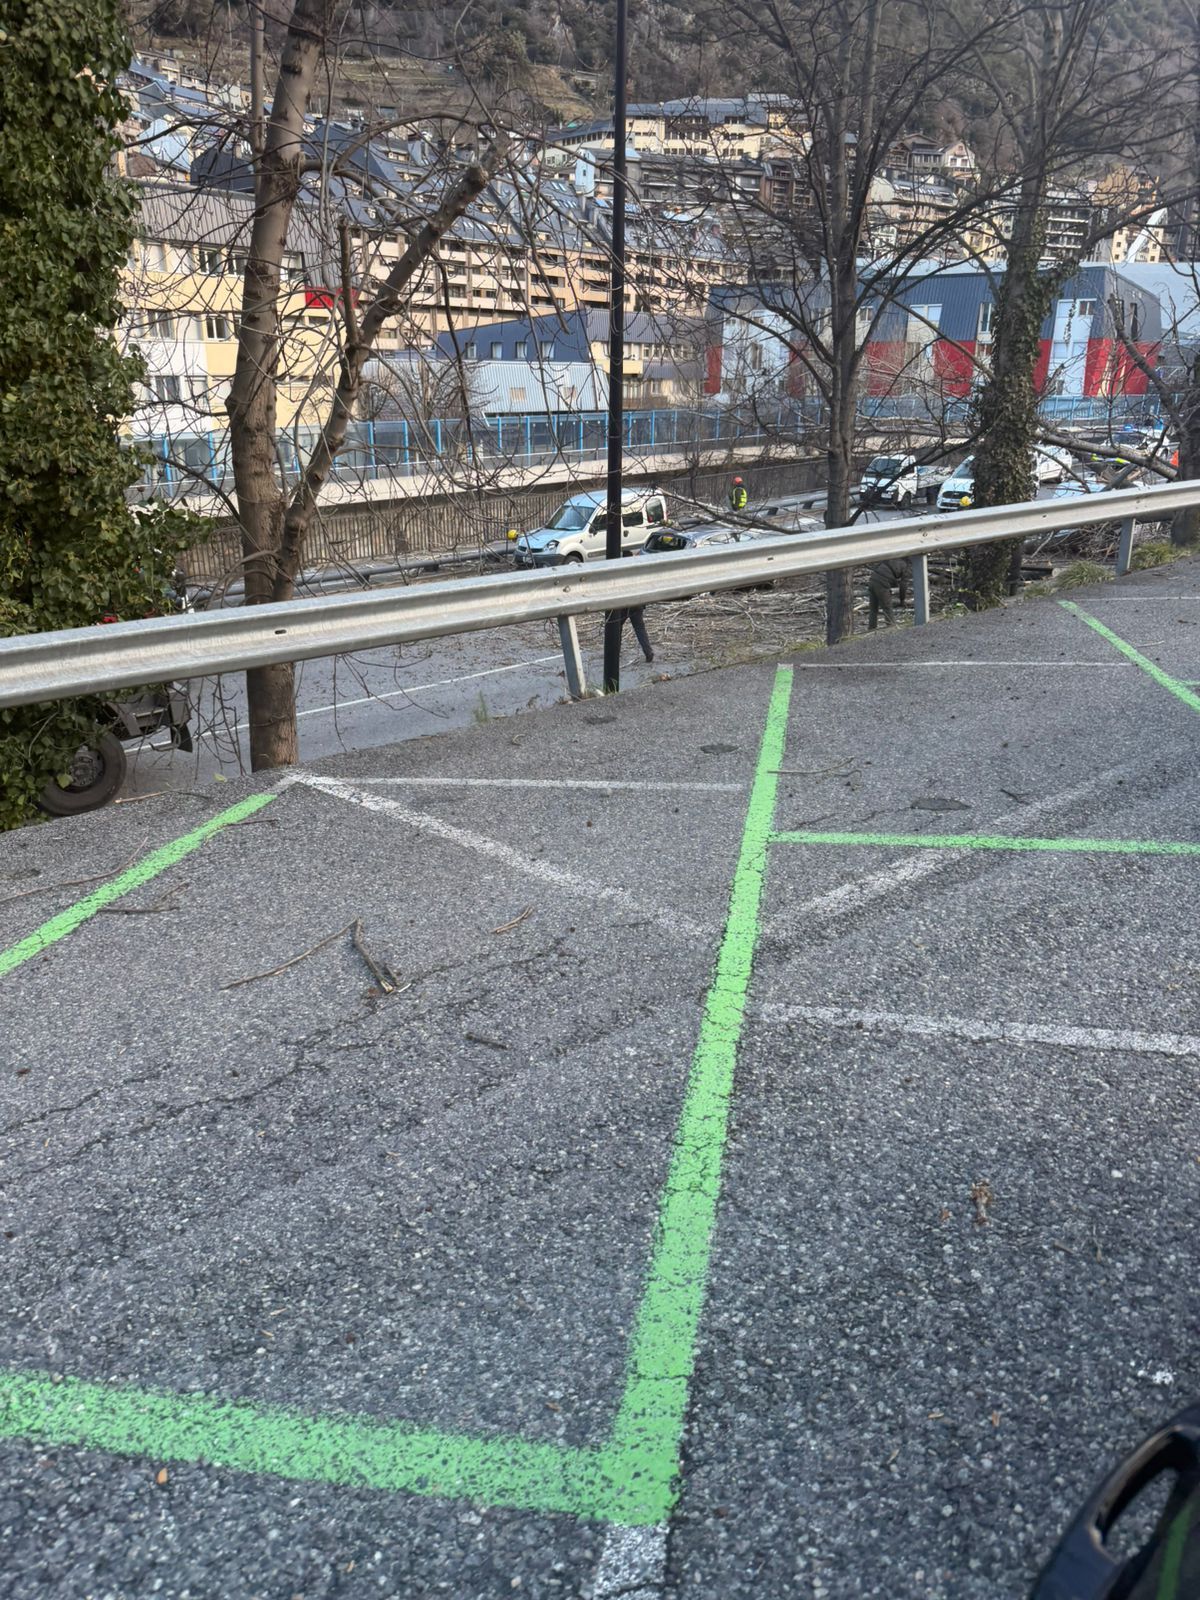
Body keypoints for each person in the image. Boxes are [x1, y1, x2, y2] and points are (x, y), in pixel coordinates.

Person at [867, 560, 908, 630]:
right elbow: (903, 585)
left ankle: (871, 628)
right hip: (882, 583)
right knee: (887, 607)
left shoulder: (894, 557)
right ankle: (891, 628)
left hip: (872, 579)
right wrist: (902, 600)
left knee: (873, 608)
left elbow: (879, 565)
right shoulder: (907, 565)